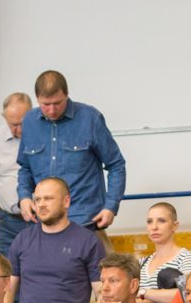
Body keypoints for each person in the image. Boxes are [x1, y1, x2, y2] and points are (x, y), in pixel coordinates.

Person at [7, 178, 104, 303]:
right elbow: (8, 290)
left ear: (66, 201)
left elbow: (103, 294)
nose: (41, 204)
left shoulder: (88, 241)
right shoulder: (22, 239)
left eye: (48, 198)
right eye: (38, 199)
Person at [15, 71, 126, 231]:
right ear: (37, 98)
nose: (52, 110)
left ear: (67, 94)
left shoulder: (90, 118)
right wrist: (24, 197)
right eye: (46, 104)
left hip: (85, 219)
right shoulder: (29, 121)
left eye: (57, 103)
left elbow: (116, 164)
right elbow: (25, 168)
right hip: (44, 222)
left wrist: (111, 206)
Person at [0, 93, 34, 253]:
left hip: (39, 219)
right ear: (3, 116)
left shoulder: (42, 135)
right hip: (6, 222)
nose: (19, 129)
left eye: (23, 122)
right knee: (7, 273)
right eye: (14, 124)